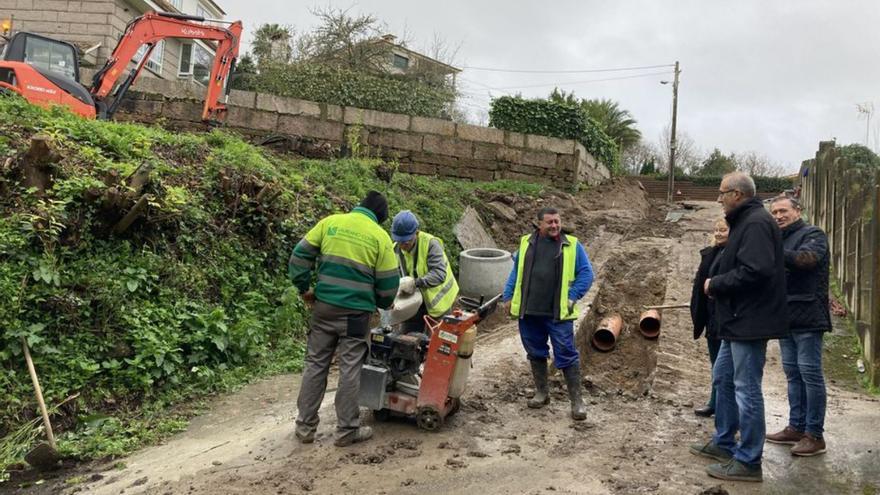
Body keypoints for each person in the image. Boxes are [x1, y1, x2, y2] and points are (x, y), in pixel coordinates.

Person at [688, 172, 788, 482]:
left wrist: (715, 284)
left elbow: (755, 271)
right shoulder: (745, 221)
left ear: (738, 194)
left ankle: (748, 460)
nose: (718, 199)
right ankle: (724, 441)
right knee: (723, 378)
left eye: (722, 193)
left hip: (750, 321)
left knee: (746, 388)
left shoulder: (756, 223)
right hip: (736, 320)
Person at [288, 191, 400, 447]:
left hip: (324, 308)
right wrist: (382, 303)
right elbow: (388, 286)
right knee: (350, 368)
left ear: (359, 206)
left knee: (315, 364)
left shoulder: (330, 222)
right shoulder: (379, 237)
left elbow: (299, 255)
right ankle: (346, 430)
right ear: (379, 218)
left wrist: (305, 288)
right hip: (355, 315)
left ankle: (305, 428)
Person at [501, 207, 594, 420]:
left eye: (557, 222)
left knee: (566, 353)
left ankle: (577, 401)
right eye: (549, 222)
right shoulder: (526, 243)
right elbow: (516, 272)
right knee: (535, 351)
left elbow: (587, 273)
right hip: (530, 311)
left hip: (558, 313)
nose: (554, 226)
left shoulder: (572, 245)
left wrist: (573, 296)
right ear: (539, 224)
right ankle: (542, 393)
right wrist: (507, 296)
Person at [765, 196, 830, 456]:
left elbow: (807, 260)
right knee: (792, 374)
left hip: (809, 317)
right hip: (786, 317)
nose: (779, 216)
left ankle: (815, 435)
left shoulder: (813, 234)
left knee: (810, 375)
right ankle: (796, 427)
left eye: (783, 211)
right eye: (775, 212)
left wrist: (772, 250)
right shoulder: (778, 239)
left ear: (798, 211)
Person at [390, 210, 460, 334]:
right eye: (399, 241)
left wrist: (415, 283)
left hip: (438, 303)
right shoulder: (395, 249)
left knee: (435, 347)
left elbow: (439, 274)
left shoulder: (431, 244)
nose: (402, 245)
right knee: (406, 343)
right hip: (413, 301)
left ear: (416, 233)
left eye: (406, 241)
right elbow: (392, 275)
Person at [690, 218, 729, 418]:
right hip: (712, 317)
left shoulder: (732, 254)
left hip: (726, 317)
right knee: (715, 363)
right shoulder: (711, 253)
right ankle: (714, 401)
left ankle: (723, 405)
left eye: (723, 230)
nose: (719, 233)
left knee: (725, 367)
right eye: (716, 230)